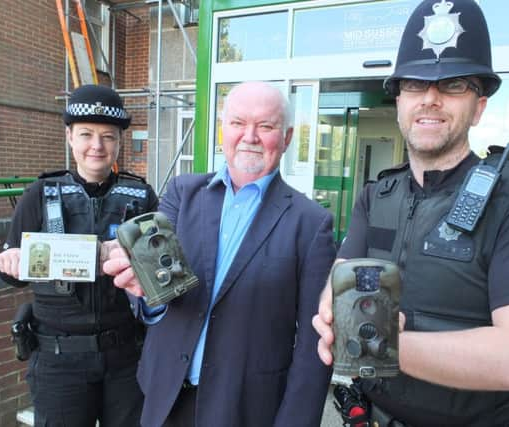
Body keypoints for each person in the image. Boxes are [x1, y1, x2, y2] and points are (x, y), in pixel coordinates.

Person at [312, 1, 509, 426]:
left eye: (453, 85)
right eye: (414, 84)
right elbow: (338, 285)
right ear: (398, 100)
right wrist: (332, 318)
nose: (430, 98)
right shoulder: (378, 194)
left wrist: (385, 344)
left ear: (479, 106)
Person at [103, 81, 336, 427]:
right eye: (238, 123)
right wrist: (145, 290)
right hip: (166, 395)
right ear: (223, 130)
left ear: (286, 138)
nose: (250, 136)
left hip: (244, 408)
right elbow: (155, 292)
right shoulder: (184, 193)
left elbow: (314, 345)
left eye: (266, 126)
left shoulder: (311, 223)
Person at [0, 84, 158, 427]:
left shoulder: (142, 197)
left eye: (108, 136)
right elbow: (11, 275)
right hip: (59, 361)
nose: (96, 146)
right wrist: (9, 263)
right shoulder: (40, 194)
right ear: (70, 137)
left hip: (127, 358)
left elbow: (158, 272)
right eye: (86, 134)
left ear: (119, 142)